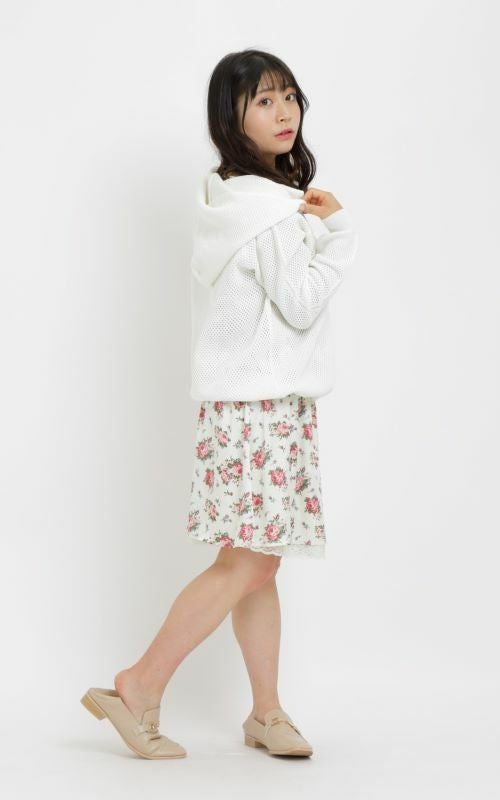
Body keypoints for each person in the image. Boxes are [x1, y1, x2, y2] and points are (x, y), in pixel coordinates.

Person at [81, 48, 358, 761]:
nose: (284, 111)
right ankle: (137, 686)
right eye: (263, 100)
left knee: (258, 563)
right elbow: (300, 303)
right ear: (230, 118)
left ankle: (266, 711)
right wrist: (339, 233)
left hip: (249, 406)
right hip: (261, 407)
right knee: (248, 565)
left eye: (289, 96)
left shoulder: (231, 196)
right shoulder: (269, 211)